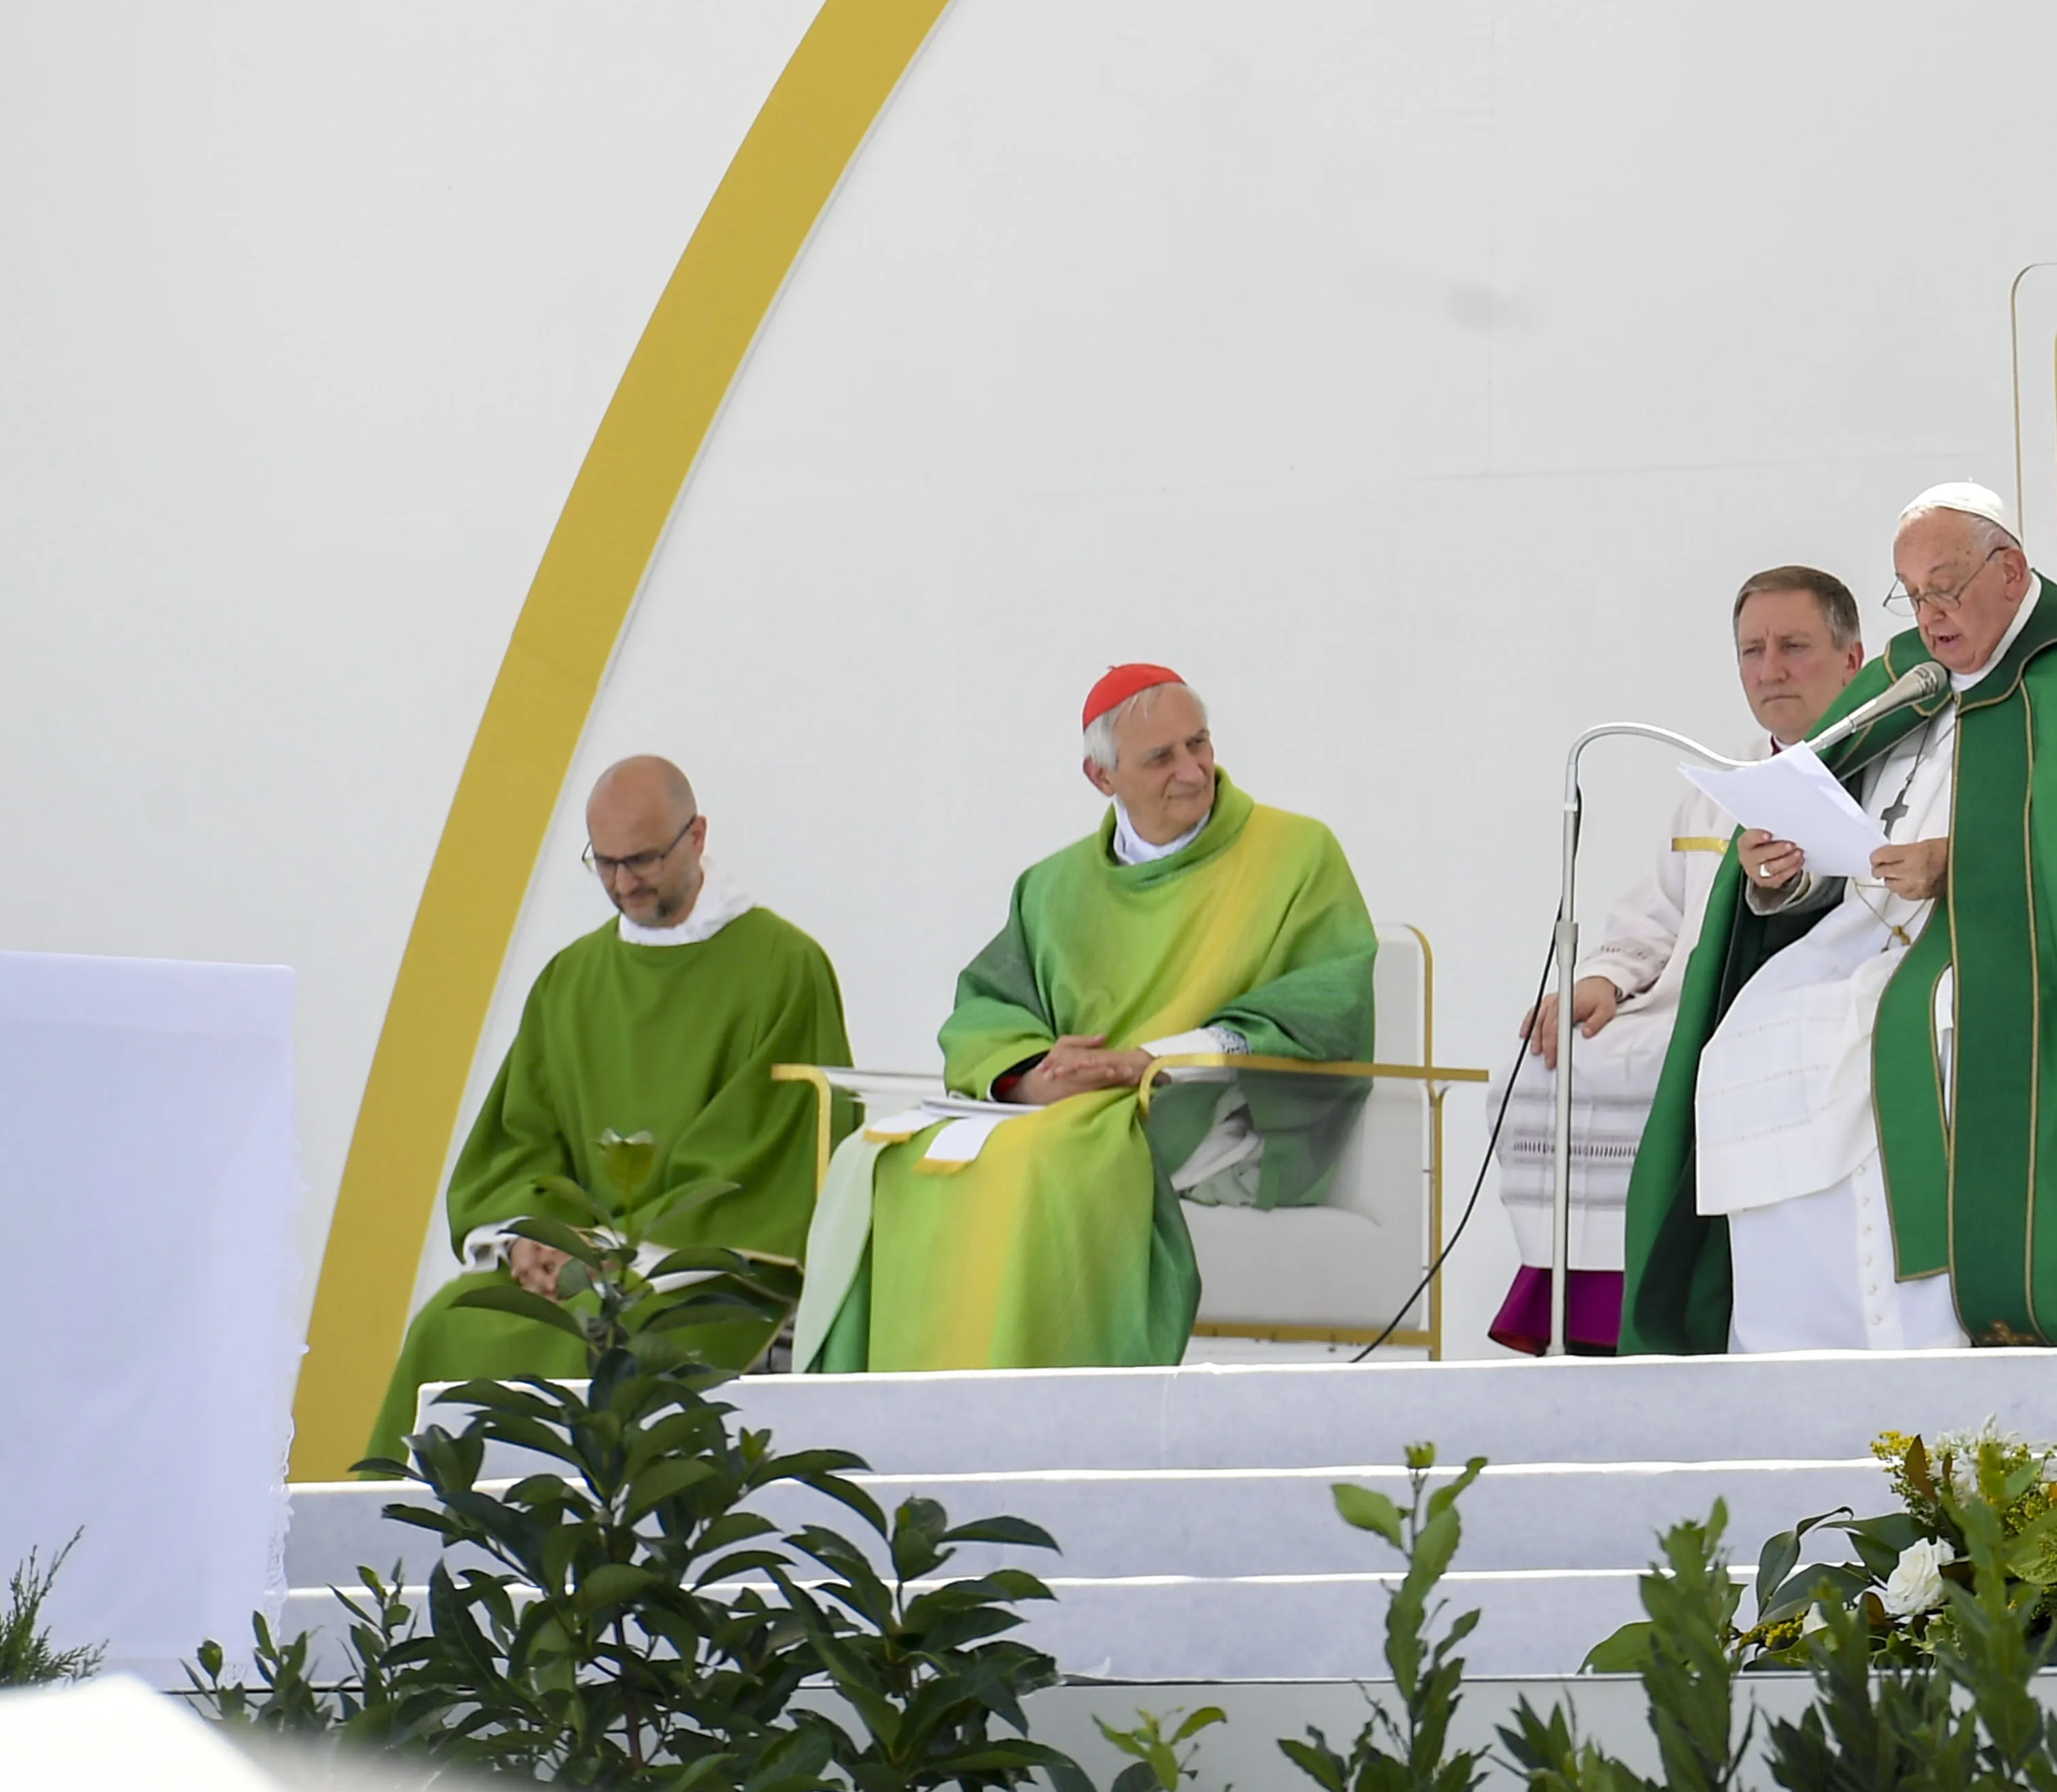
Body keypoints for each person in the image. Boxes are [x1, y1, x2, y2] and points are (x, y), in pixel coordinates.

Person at [1625, 484, 2057, 1353]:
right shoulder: (1908, 678)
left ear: (2009, 571)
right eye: (1911, 594)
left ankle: (1937, 1349)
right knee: (1752, 1024)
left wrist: (1959, 865)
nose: (1928, 617)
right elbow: (1841, 822)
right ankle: (1791, 1354)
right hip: (1863, 937)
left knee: (1919, 1029)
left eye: (1945, 588)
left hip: (1996, 947)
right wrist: (1776, 870)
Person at [791, 666, 1377, 1371]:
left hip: (1210, 1106)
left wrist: (1155, 1059)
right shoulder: (1052, 886)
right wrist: (1028, 1078)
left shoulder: (1295, 853)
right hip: (1066, 1110)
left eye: (1199, 744)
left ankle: (1034, 1413)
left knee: (1045, 1157)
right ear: (1102, 779)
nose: (1193, 772)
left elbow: (1329, 1000)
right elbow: (989, 1004)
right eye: (1161, 758)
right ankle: (900, 1420)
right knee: (881, 1159)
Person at [363, 756, 848, 1460]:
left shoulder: (783, 968)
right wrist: (532, 1235)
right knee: (450, 1321)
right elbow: (521, 1139)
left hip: (699, 1275)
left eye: (644, 859)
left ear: (698, 835)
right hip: (578, 1264)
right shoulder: (572, 978)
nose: (624, 883)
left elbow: (762, 1150)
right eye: (606, 863)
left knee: (609, 1341)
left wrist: (612, 1257)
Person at [1491, 564, 1866, 1354]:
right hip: (1682, 1004)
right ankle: (1586, 1314)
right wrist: (1602, 977)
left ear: (1851, 658)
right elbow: (1658, 911)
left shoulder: (1887, 766)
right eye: (1751, 651)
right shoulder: (1721, 785)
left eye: (1794, 645)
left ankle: (1688, 1304)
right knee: (1540, 1064)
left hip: (1802, 1010)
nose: (1770, 669)